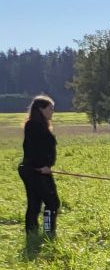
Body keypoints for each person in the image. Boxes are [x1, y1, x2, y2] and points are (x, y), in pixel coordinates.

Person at [20, 95, 58, 241]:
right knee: (52, 202)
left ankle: (32, 232)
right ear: (41, 109)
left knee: (35, 203)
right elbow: (32, 150)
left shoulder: (40, 125)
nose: (53, 111)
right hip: (36, 170)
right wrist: (41, 167)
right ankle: (47, 231)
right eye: (51, 108)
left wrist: (47, 165)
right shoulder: (34, 126)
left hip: (38, 169)